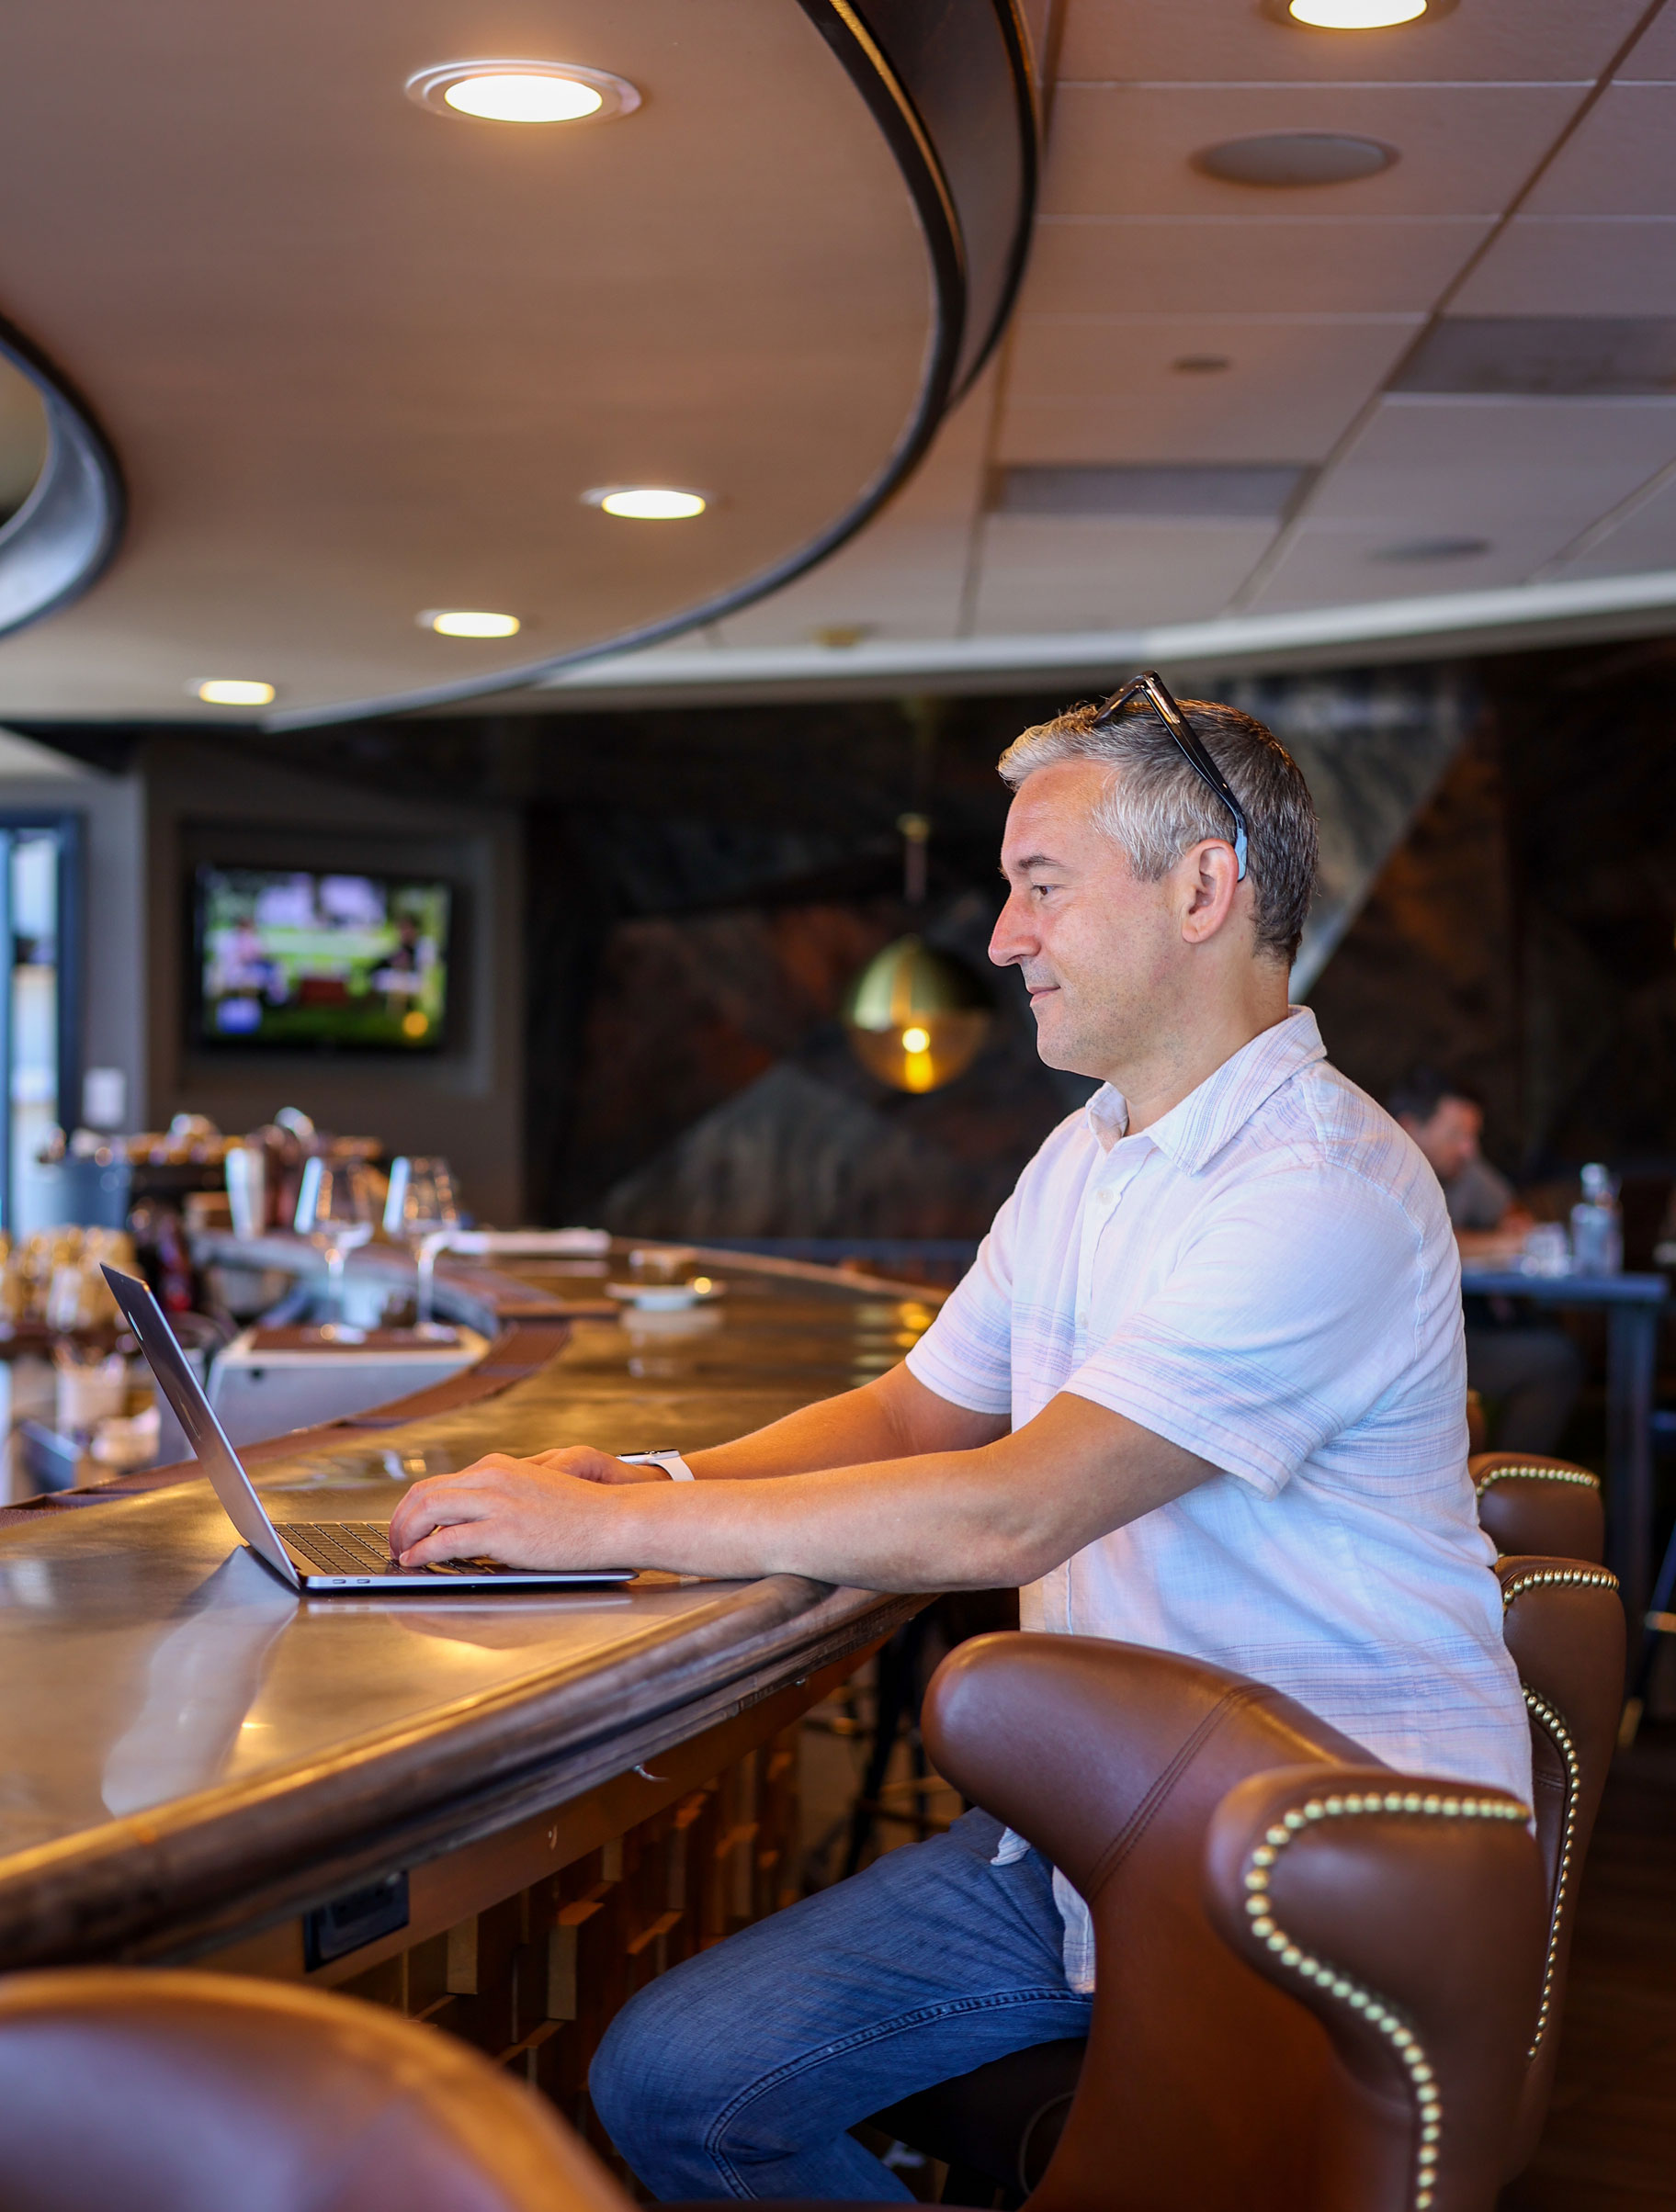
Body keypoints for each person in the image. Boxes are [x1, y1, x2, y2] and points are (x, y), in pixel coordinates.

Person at [387, 679, 1531, 2204]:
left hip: (1316, 1870)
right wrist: (652, 1479)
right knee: (671, 2079)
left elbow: (1012, 1512)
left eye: (1039, 885)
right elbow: (915, 1411)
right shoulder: (1086, 1154)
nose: (1000, 937)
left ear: (1201, 890)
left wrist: (605, 1534)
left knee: (679, 2087)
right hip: (1097, 1832)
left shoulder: (1316, 1187)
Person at [1389, 1069, 1582, 1457]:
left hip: (1451, 1326)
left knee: (1544, 1333)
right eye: (1456, 1135)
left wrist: (1513, 1224)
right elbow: (1416, 1242)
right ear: (1410, 1127)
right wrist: (1503, 1244)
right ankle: (1498, 1485)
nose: (1469, 1148)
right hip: (1403, 1341)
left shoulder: (1463, 1170)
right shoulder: (1383, 1171)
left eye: (1473, 1136)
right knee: (1555, 1361)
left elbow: (1511, 1211)